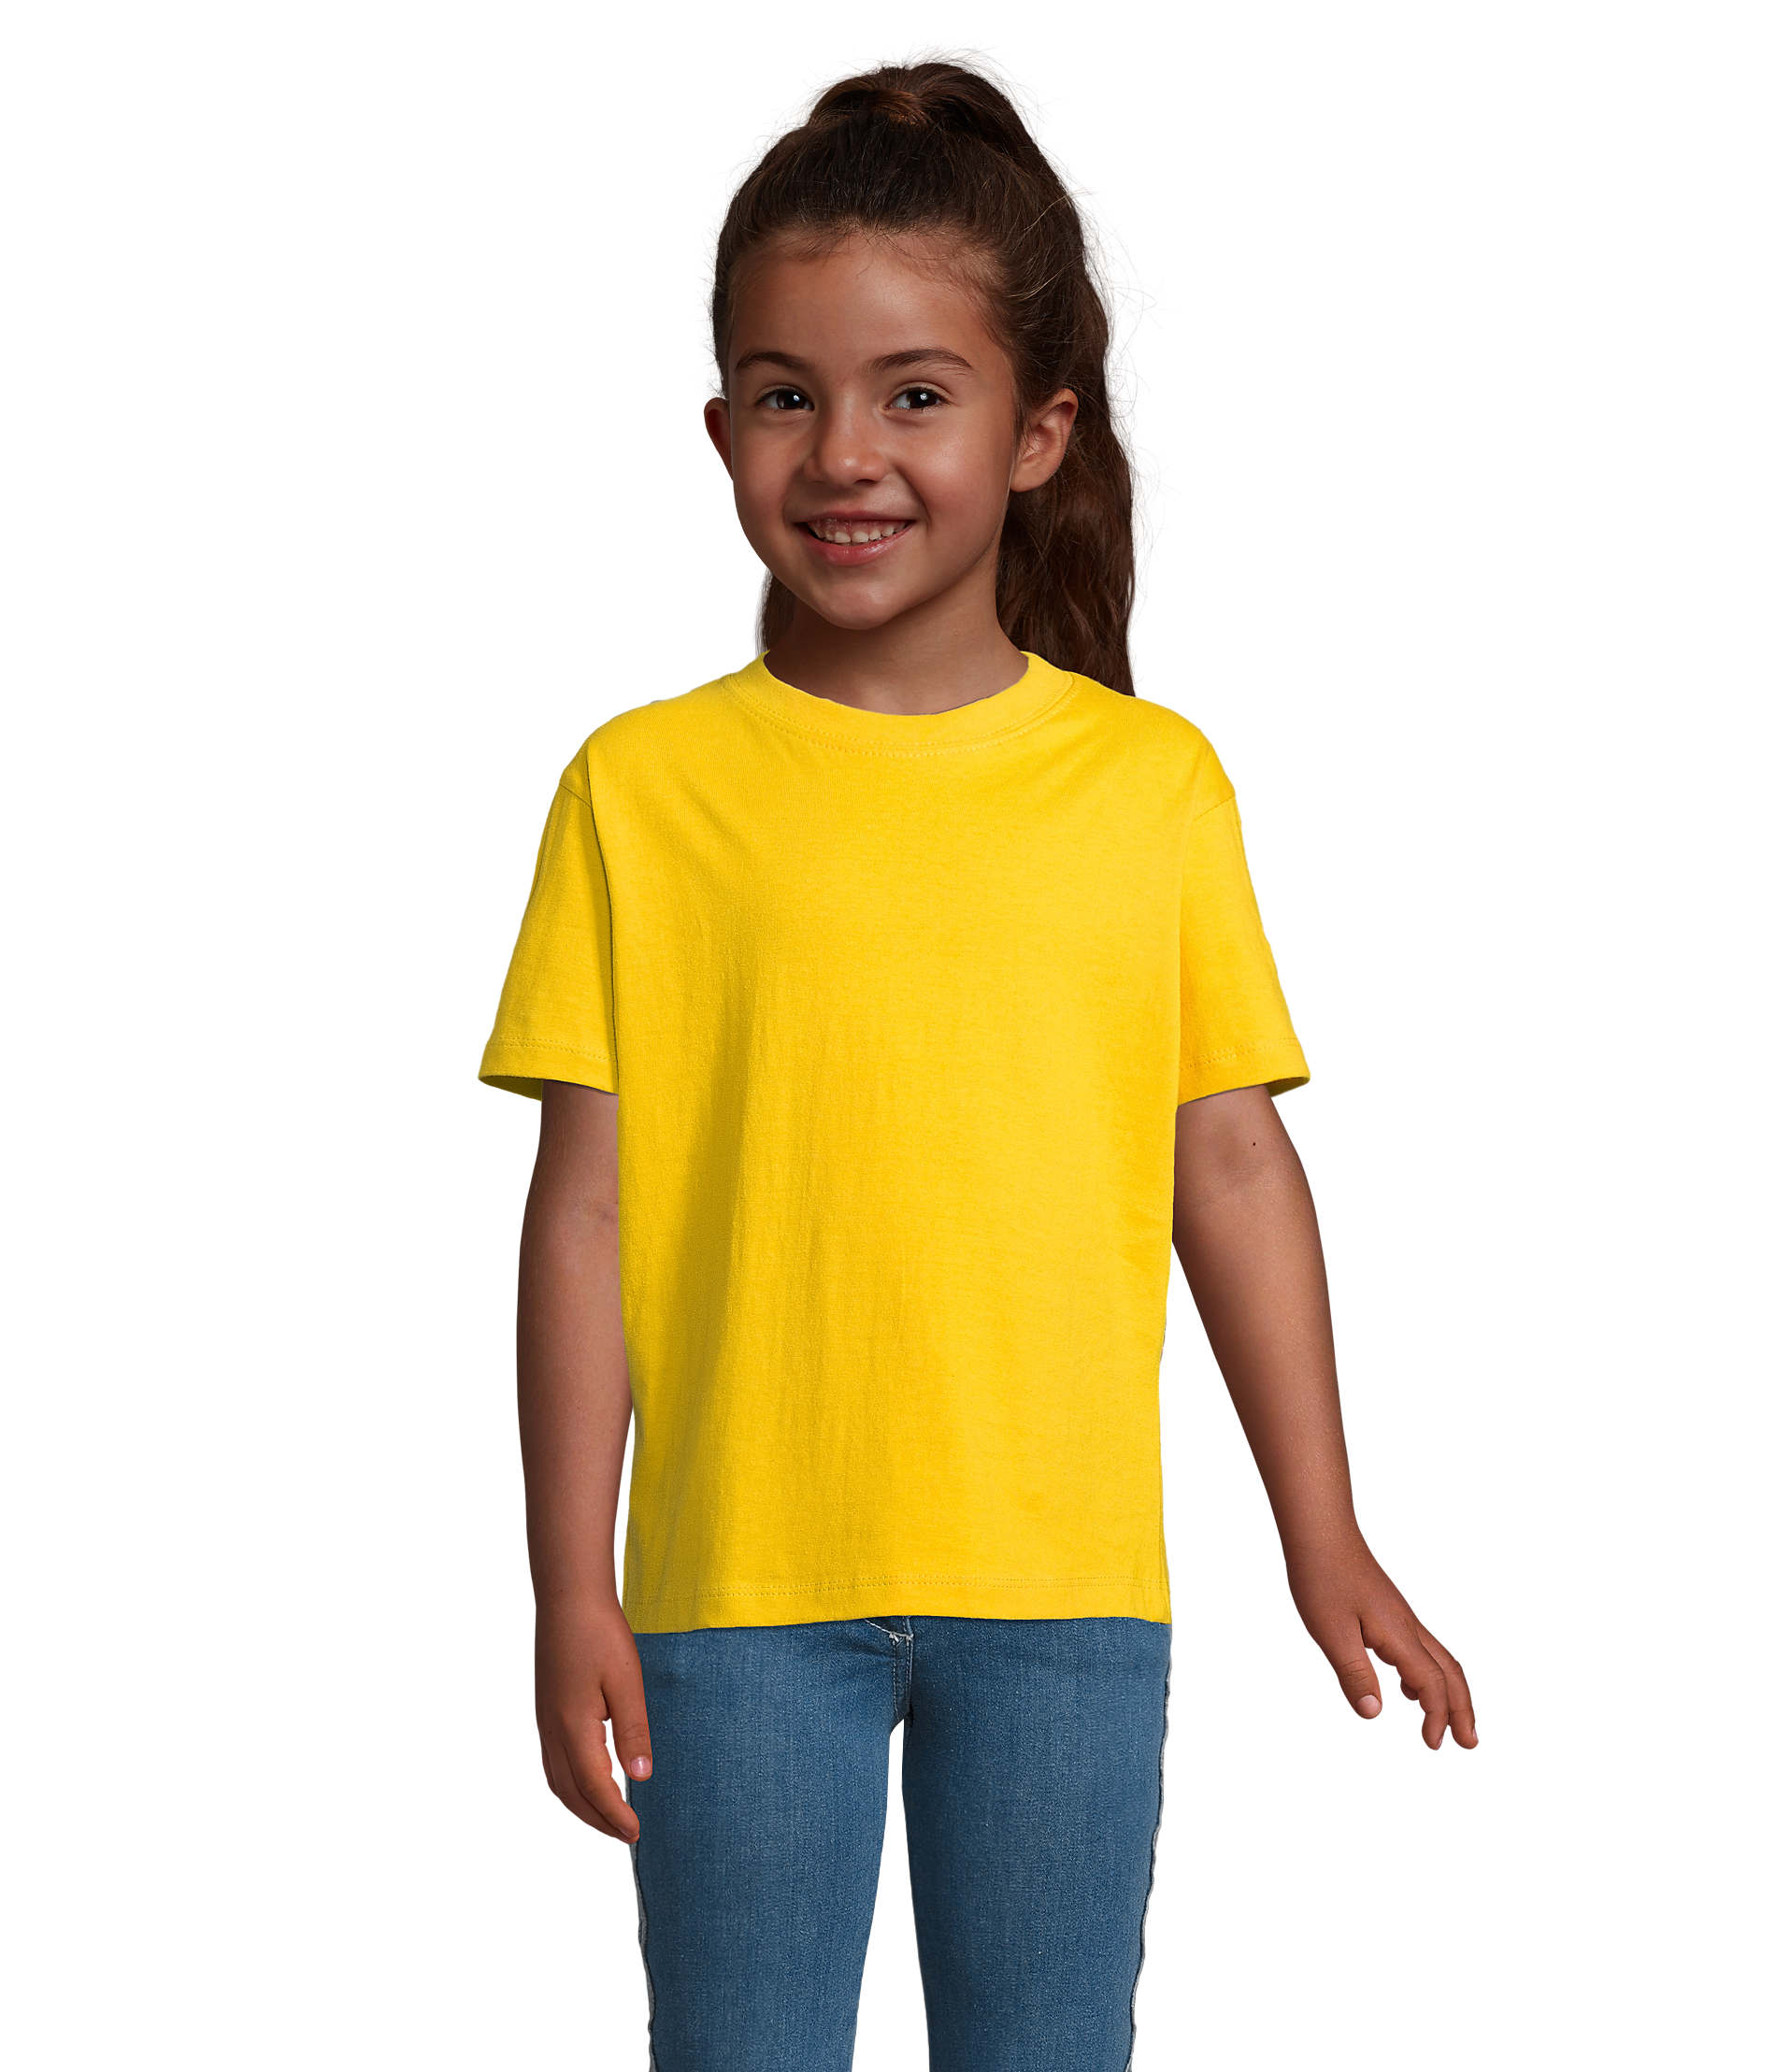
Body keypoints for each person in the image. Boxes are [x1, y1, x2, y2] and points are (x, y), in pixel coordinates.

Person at [479, 56, 1478, 2072]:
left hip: (1063, 1594)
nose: (843, 452)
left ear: (1037, 433)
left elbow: (1229, 1169)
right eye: (784, 393)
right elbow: (583, 1208)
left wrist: (1324, 1527)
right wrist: (566, 1578)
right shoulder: (639, 790)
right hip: (733, 1596)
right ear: (719, 426)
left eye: (913, 393)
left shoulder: (1147, 790)